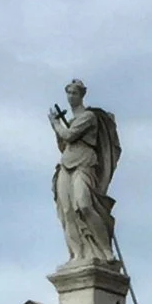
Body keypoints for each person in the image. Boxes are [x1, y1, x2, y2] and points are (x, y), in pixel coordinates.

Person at [49, 80, 121, 265]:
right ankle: (77, 254)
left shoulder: (88, 117)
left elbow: (69, 135)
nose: (71, 97)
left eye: (74, 93)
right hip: (66, 164)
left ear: (82, 95)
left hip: (84, 163)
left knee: (83, 204)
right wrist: (60, 131)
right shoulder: (72, 121)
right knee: (67, 211)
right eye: (69, 93)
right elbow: (63, 145)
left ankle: (105, 248)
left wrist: (55, 124)